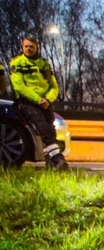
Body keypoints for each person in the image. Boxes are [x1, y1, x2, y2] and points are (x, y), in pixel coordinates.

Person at [9, 34, 68, 170]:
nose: (29, 49)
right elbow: (19, 86)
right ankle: (58, 159)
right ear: (22, 47)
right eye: (26, 46)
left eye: (32, 47)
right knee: (44, 130)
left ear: (37, 48)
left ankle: (50, 164)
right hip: (27, 102)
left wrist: (47, 99)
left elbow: (54, 86)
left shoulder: (44, 64)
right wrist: (38, 99)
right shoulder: (16, 63)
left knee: (51, 132)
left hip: (45, 102)